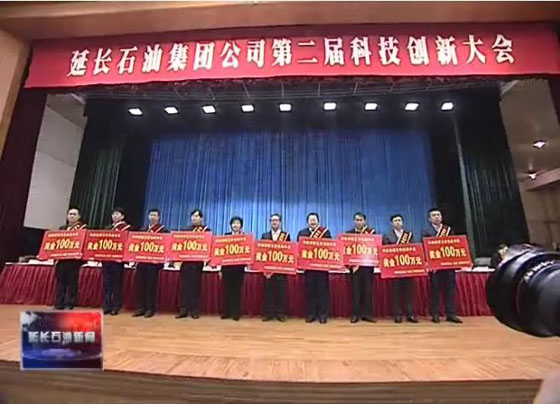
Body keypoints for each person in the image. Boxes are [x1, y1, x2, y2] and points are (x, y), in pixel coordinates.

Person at [421, 208, 462, 324]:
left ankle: (451, 314)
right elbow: (424, 248)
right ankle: (435, 314)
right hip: (435, 267)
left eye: (438, 215)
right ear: (429, 219)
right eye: (434, 215)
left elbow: (455, 245)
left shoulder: (448, 230)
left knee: (450, 290)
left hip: (448, 265)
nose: (436, 217)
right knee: (435, 291)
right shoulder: (426, 231)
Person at [382, 214, 418, 323]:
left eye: (399, 220)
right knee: (396, 292)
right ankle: (397, 314)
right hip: (394, 269)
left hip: (407, 267)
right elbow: (385, 252)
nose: (398, 222)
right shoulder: (387, 236)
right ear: (391, 223)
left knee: (409, 292)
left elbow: (414, 249)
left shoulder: (409, 235)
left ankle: (410, 314)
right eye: (395, 221)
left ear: (402, 222)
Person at [133, 209, 168, 318]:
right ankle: (140, 308)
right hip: (142, 263)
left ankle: (150, 308)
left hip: (154, 264)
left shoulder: (164, 231)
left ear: (158, 217)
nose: (152, 217)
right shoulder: (143, 230)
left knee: (151, 287)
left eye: (154, 215)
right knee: (140, 286)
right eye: (151, 215)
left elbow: (166, 247)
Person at [297, 212, 332, 324]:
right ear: (307, 222)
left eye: (314, 220)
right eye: (311, 220)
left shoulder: (325, 233)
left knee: (322, 292)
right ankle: (311, 314)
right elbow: (299, 250)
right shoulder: (302, 233)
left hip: (322, 268)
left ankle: (323, 315)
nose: (313, 222)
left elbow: (330, 248)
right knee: (310, 292)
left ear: (318, 221)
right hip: (309, 269)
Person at [176, 209, 211, 319]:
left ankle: (194, 310)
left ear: (201, 218)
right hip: (185, 263)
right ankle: (183, 310)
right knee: (184, 287)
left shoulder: (206, 231)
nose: (194, 218)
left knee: (195, 287)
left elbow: (209, 246)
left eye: (196, 216)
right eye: (193, 216)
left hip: (197, 264)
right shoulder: (185, 230)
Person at [53, 206, 87, 310]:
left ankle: (71, 303)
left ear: (79, 216)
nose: (72, 216)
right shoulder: (62, 228)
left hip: (73, 260)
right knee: (60, 282)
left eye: (74, 214)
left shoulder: (83, 229)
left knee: (72, 282)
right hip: (61, 259)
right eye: (70, 214)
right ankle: (59, 303)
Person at [346, 212, 376, 324]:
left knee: (367, 292)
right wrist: (350, 265)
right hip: (355, 269)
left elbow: (375, 248)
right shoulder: (348, 234)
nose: (359, 222)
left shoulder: (371, 233)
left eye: (361, 220)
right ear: (354, 221)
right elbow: (345, 251)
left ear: (364, 221)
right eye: (357, 220)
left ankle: (367, 315)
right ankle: (355, 315)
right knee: (355, 292)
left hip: (367, 268)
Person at [261, 213, 290, 322]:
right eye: (272, 220)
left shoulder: (286, 236)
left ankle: (280, 313)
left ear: (280, 222)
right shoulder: (265, 235)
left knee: (281, 292)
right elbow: (262, 251)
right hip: (268, 270)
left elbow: (288, 252)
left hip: (281, 270)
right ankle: (268, 313)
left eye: (276, 220)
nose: (274, 222)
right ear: (270, 222)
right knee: (268, 292)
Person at [102, 207, 131, 315]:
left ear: (122, 216)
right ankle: (107, 305)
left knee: (116, 285)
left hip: (118, 262)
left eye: (117, 214)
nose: (115, 216)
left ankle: (116, 306)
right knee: (106, 285)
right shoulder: (107, 228)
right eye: (113, 214)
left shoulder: (127, 229)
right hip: (106, 260)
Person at [220, 216, 246, 321]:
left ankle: (236, 313)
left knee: (237, 291)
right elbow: (221, 253)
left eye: (238, 223)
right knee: (227, 291)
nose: (235, 225)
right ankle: (226, 312)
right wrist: (220, 269)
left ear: (241, 226)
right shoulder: (225, 236)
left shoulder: (245, 237)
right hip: (227, 269)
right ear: (231, 225)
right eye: (234, 223)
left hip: (239, 269)